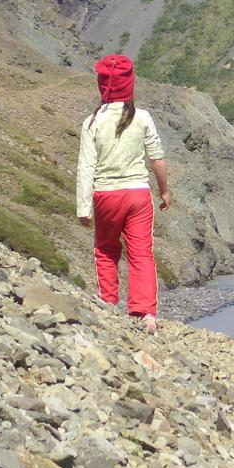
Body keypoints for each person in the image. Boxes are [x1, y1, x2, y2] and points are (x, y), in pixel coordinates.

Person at [76, 54, 170, 331]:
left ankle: (108, 302)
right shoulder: (142, 118)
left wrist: (83, 207)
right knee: (141, 253)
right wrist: (164, 191)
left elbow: (86, 167)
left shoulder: (91, 122)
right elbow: (157, 158)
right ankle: (146, 313)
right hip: (139, 194)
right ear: (130, 85)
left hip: (106, 195)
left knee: (106, 250)